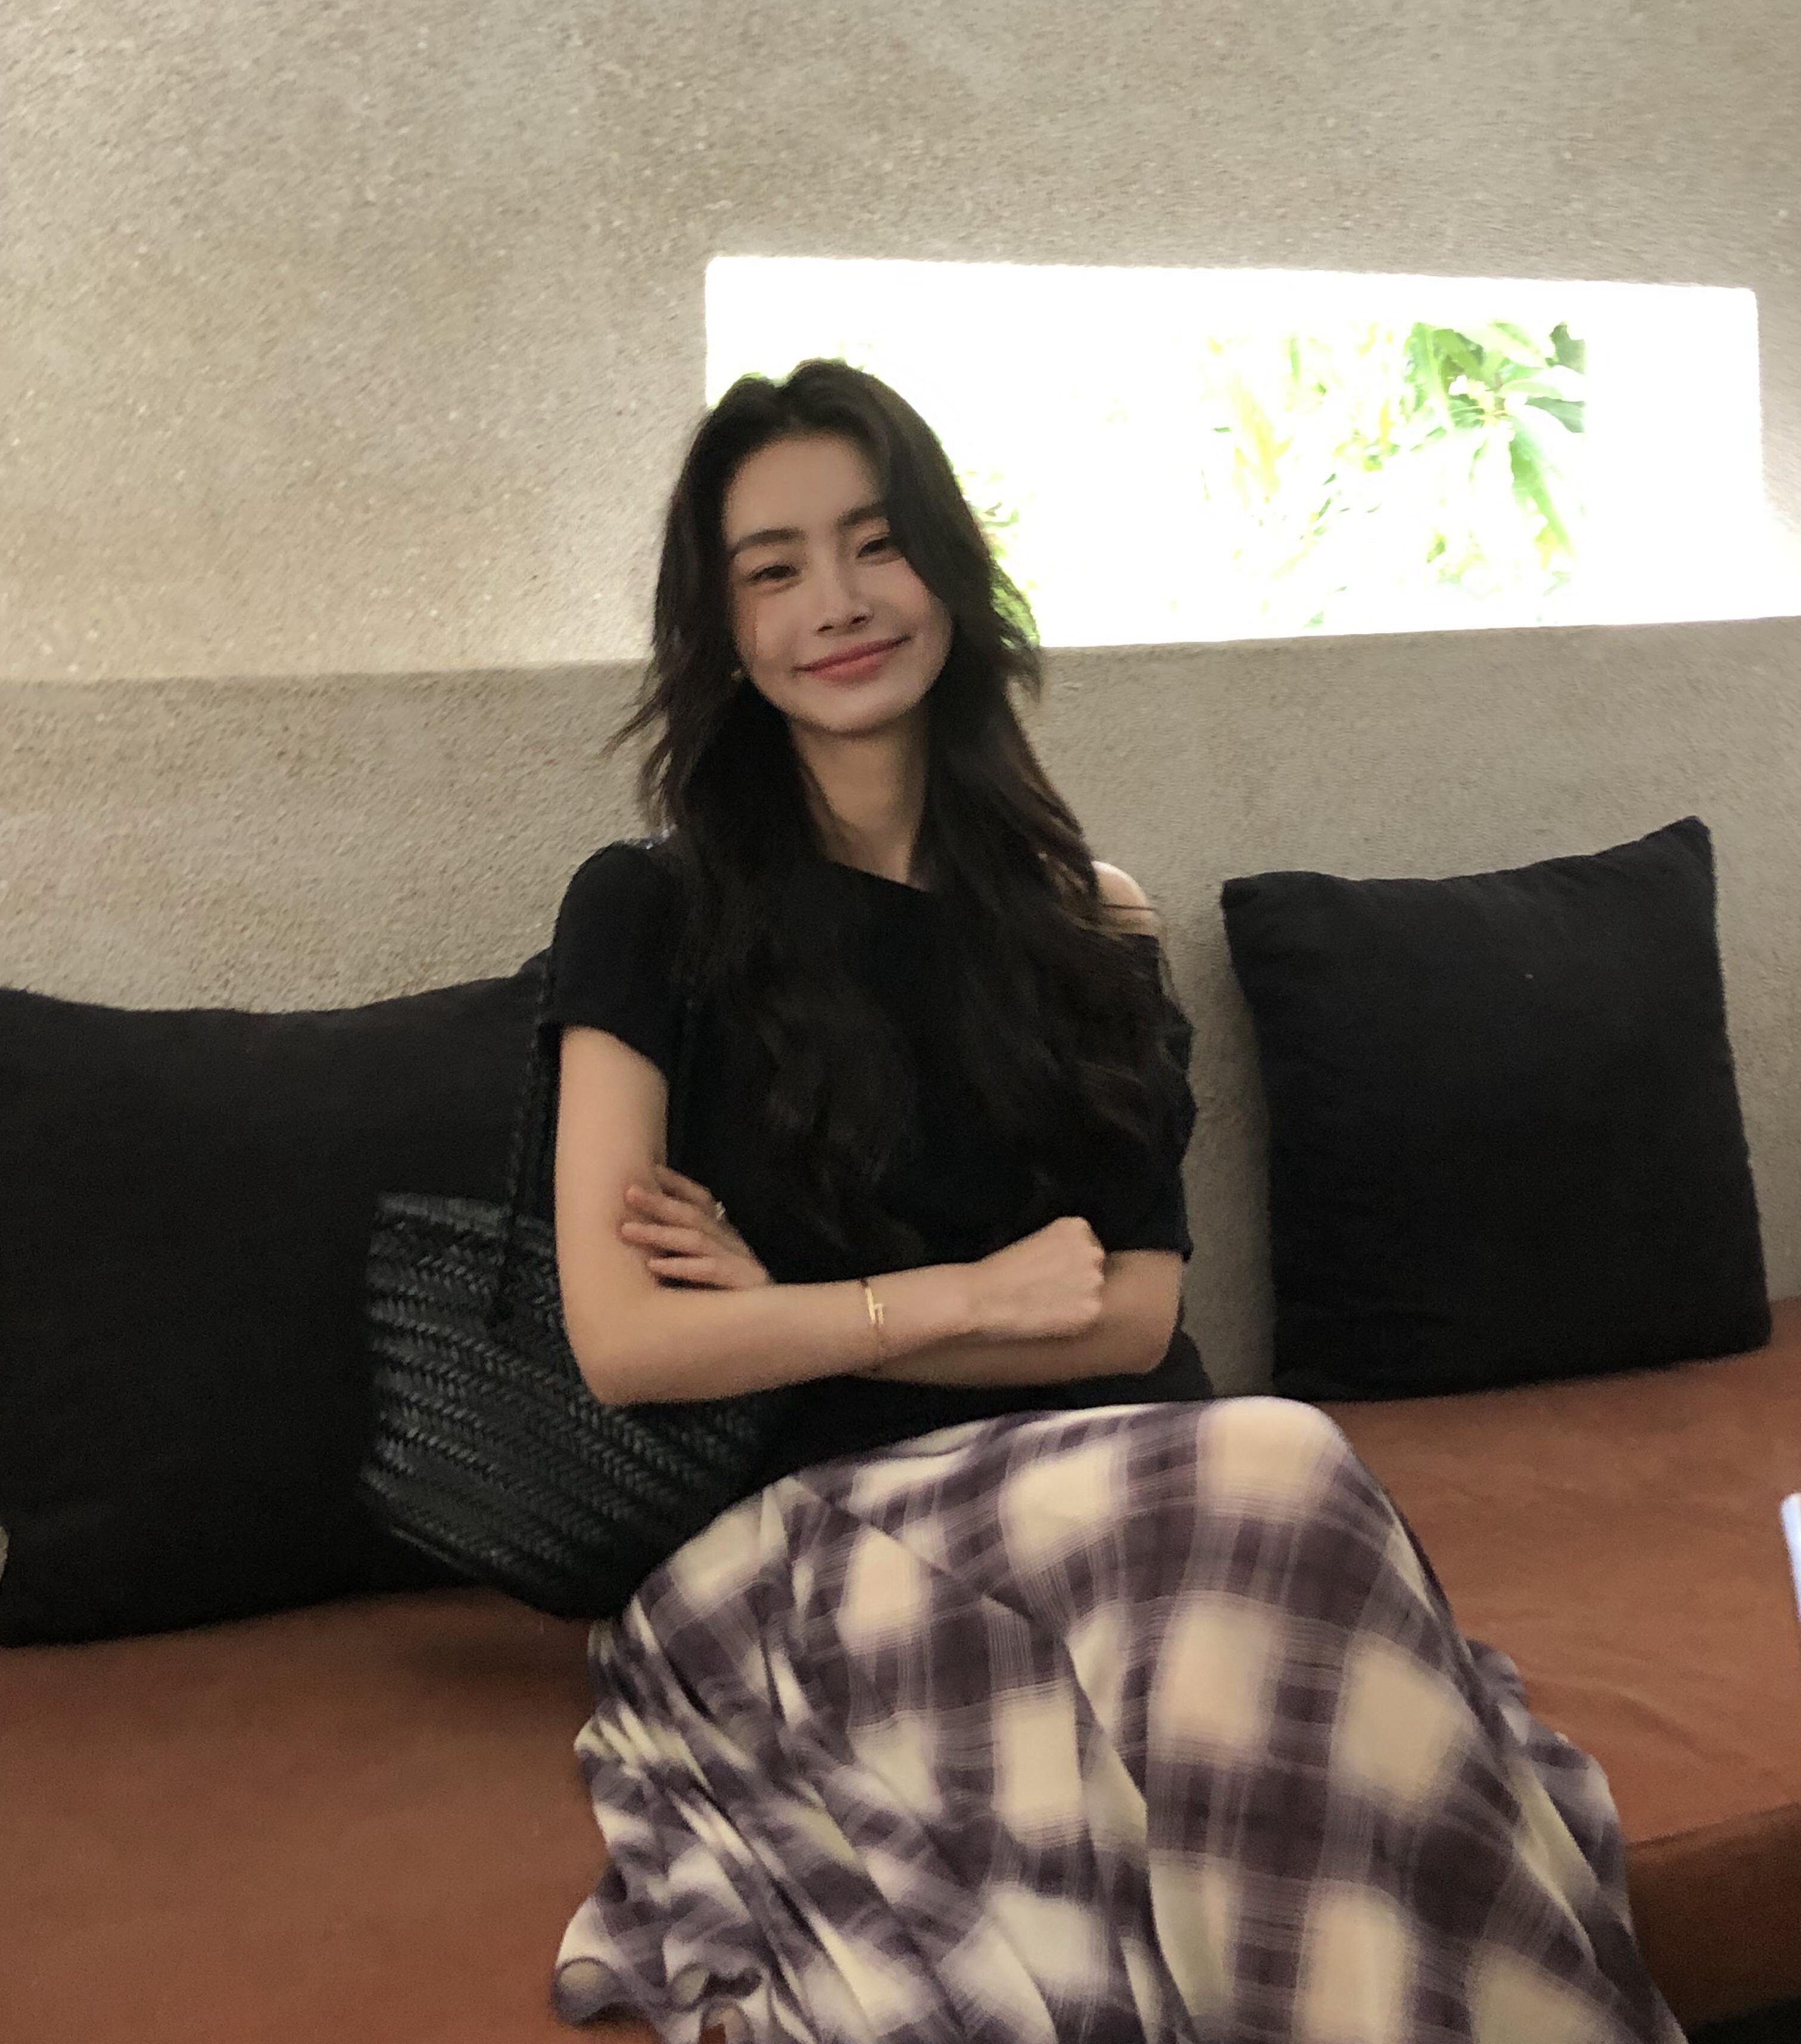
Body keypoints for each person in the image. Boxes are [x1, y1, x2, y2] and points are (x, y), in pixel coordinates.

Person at [540, 362, 1682, 2044]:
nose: (837, 601)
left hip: (1140, 1504)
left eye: (876, 544)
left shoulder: (1090, 919)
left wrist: (784, 1311)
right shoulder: (647, 911)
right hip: (820, 1551)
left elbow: (1134, 1316)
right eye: (773, 570)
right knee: (1281, 1467)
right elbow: (626, 1339)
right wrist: (968, 1298)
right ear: (720, 630)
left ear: (952, 571)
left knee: (1267, 1535)